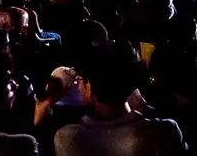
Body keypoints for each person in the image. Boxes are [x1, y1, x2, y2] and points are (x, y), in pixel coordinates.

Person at [53, 42, 184, 155]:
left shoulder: (69, 137)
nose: (78, 85)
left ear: (90, 84)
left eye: (80, 79)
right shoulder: (165, 131)